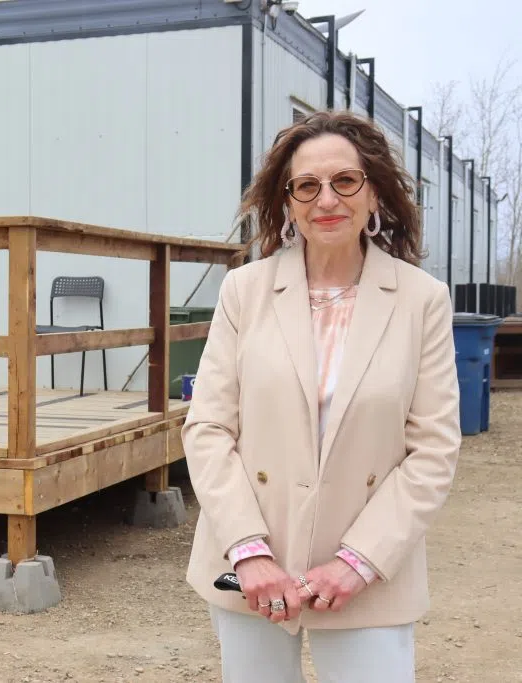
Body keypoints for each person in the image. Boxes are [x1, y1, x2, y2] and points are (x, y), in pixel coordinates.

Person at [181, 110, 461, 682]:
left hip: (369, 572)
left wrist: (358, 561)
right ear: (287, 204)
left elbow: (433, 450)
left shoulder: (421, 300)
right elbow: (208, 428)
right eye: (307, 186)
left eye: (344, 181)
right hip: (250, 567)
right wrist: (248, 550)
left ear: (374, 192)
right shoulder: (244, 290)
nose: (326, 199)